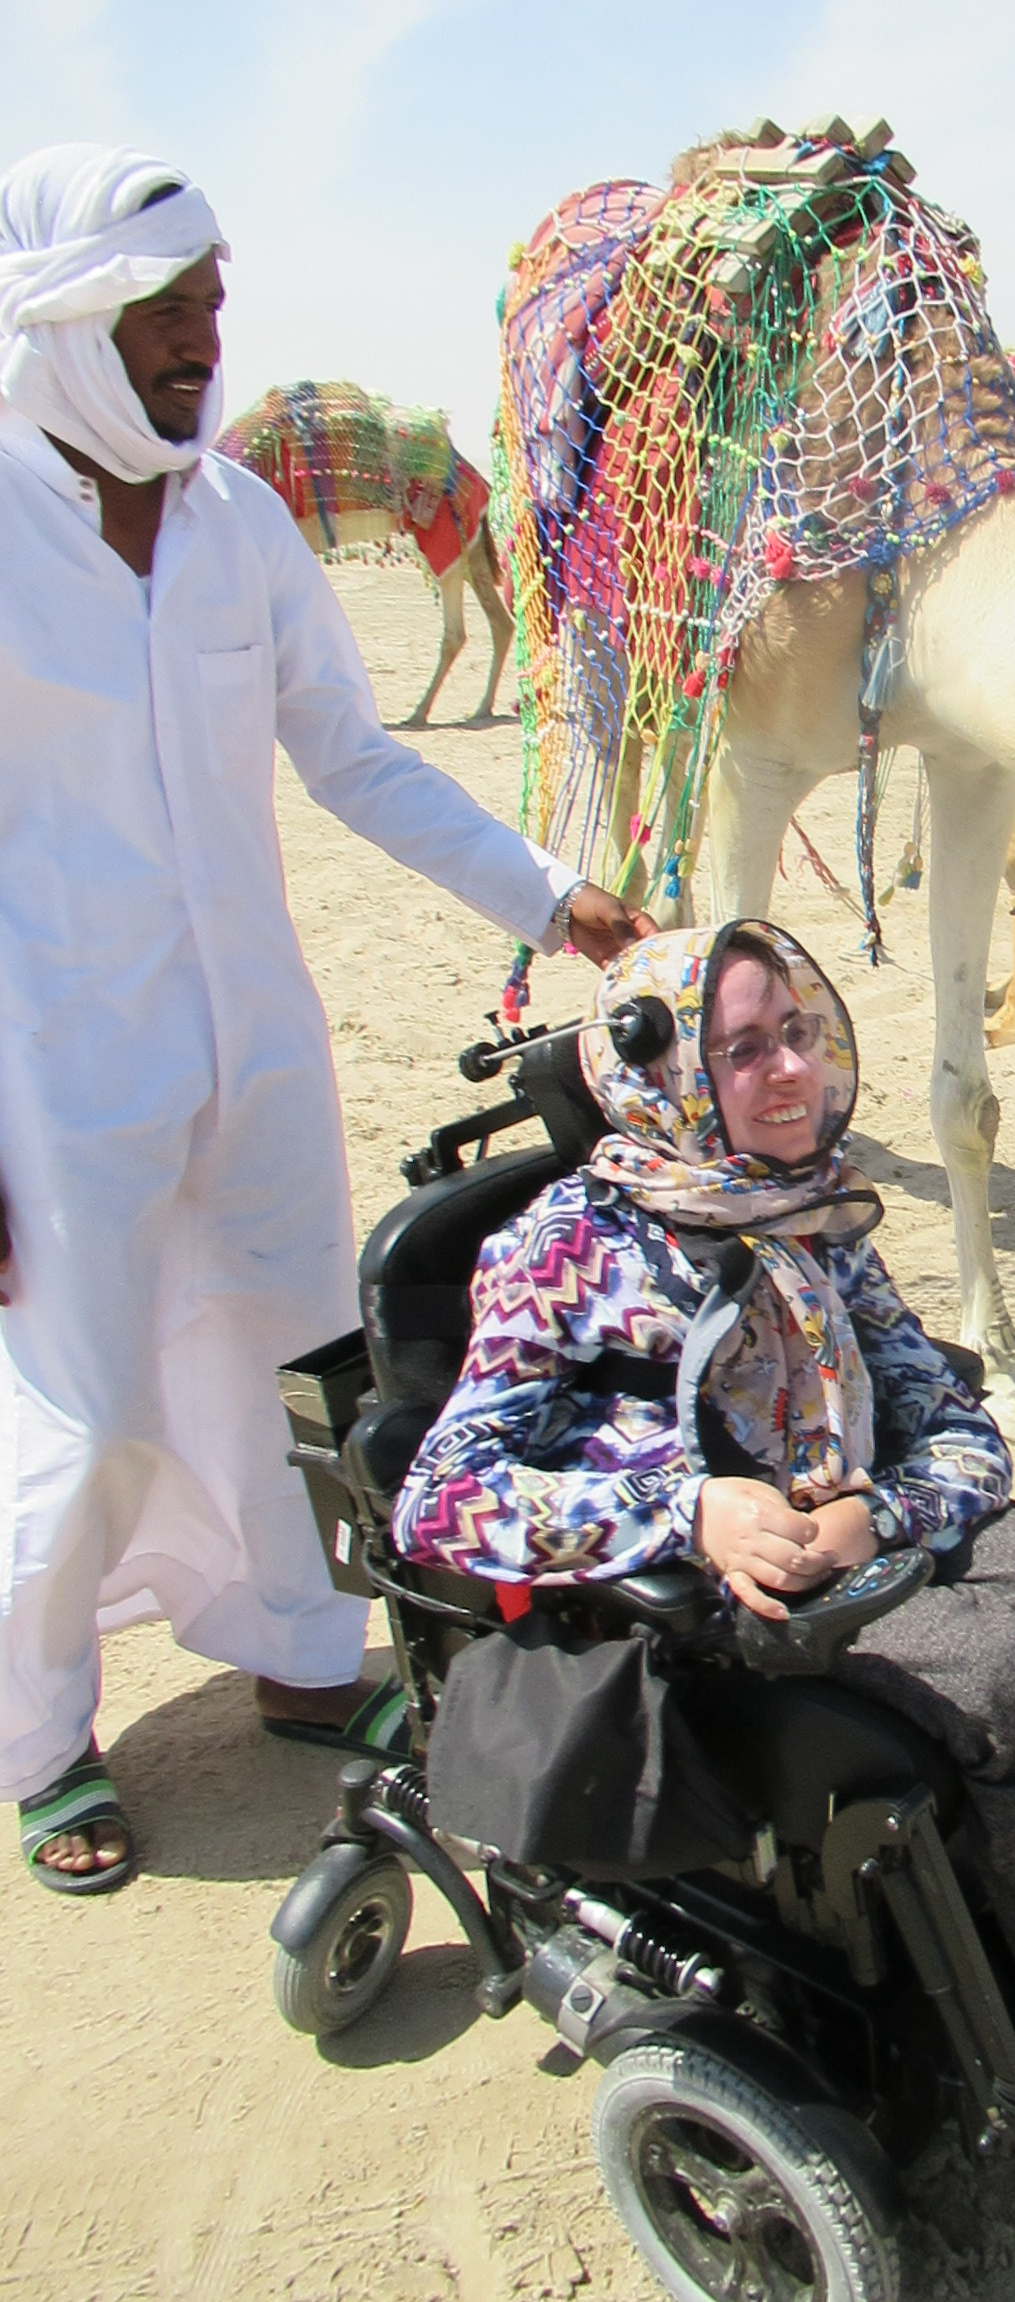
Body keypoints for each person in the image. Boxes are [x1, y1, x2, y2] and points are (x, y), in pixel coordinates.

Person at [395, 919, 1015, 2170]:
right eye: (743, 1051)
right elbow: (440, 1495)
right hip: (713, 1581)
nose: (790, 1068)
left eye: (797, 1032)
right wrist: (689, 1512)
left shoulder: (812, 1208)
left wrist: (879, 1513)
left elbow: (956, 1425)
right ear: (665, 1078)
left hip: (852, 1518)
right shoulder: (563, 1255)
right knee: (994, 1676)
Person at [0, 143, 650, 1894]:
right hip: (50, 1065)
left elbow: (350, 755)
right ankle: (42, 1736)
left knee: (295, 1352)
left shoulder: (239, 524)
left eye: (212, 301)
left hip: (254, 1039)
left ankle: (300, 1655)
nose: (201, 339)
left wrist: (546, 892)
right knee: (84, 1408)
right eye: (161, 312)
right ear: (62, 319)